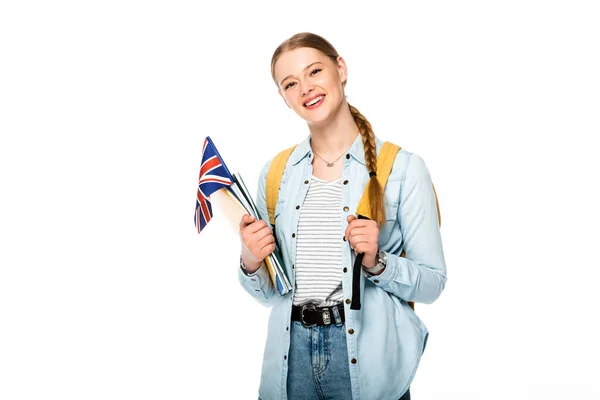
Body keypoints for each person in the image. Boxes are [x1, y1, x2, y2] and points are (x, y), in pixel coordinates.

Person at [237, 32, 447, 400]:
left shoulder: (402, 169)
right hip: (290, 362)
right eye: (290, 83)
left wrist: (378, 262)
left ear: (341, 69)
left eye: (314, 71)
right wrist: (251, 261)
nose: (306, 88)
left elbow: (433, 284)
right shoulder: (276, 173)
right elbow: (272, 293)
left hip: (367, 363)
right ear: (284, 98)